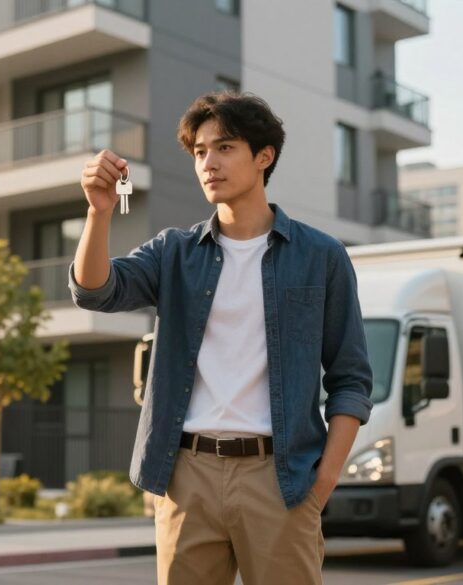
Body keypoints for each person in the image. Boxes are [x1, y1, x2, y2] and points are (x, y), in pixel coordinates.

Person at [69, 91, 373, 584]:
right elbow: (96, 291)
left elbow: (352, 378)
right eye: (199, 152)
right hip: (186, 474)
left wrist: (325, 479)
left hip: (280, 478)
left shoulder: (321, 256)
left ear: (263, 156)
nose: (209, 162)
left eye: (225, 147)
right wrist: (99, 212)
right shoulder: (174, 252)